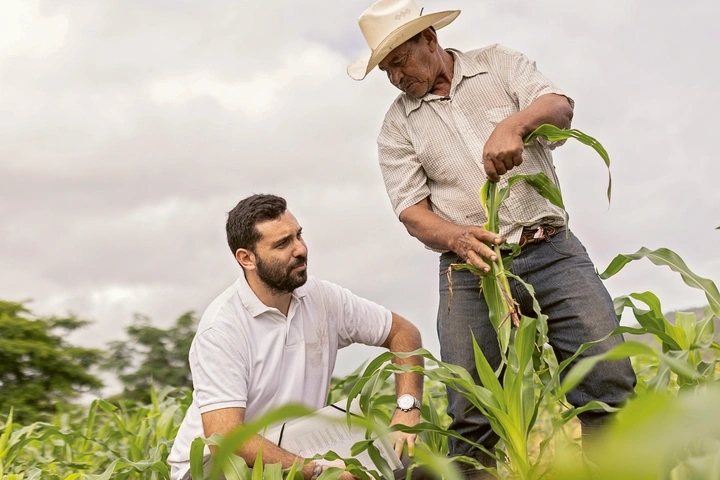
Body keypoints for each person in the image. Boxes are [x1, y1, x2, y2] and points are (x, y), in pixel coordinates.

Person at [348, 0, 637, 476]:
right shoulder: (397, 126)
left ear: (429, 39)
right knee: (472, 405)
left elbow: (559, 106)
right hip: (469, 267)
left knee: (605, 374)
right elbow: (411, 212)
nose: (395, 77)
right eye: (386, 69)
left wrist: (514, 124)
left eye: (399, 61)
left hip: (550, 248)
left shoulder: (498, 63)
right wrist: (457, 237)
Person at [168, 194, 424, 480]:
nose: (300, 249)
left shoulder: (323, 298)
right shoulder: (222, 329)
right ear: (246, 258)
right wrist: (316, 471)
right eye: (282, 244)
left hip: (303, 446)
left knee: (416, 471)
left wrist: (407, 409)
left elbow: (403, 332)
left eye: (298, 235)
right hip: (216, 467)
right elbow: (226, 439)